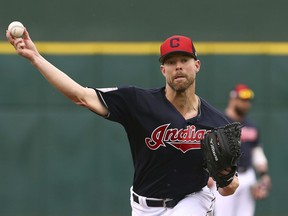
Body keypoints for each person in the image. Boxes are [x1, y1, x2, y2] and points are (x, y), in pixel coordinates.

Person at [7, 28, 239, 216]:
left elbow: (228, 189)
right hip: (144, 206)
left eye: (184, 59)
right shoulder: (138, 102)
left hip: (192, 201)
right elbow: (81, 95)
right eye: (171, 61)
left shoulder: (216, 122)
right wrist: (36, 58)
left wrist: (227, 177)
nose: (178, 66)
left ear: (196, 65)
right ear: (162, 69)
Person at [211, 84, 272, 216]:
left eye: (248, 101)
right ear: (232, 99)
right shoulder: (219, 122)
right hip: (225, 176)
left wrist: (264, 175)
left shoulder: (251, 125)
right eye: (243, 100)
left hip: (248, 176)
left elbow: (257, 152)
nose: (246, 104)